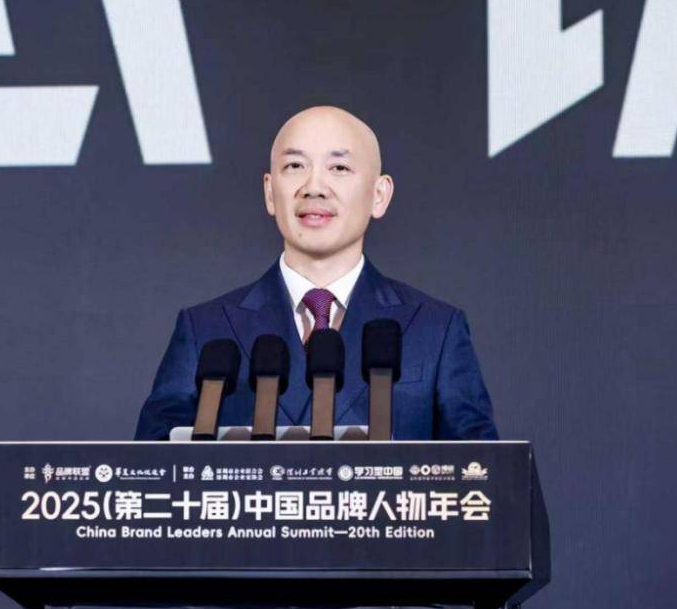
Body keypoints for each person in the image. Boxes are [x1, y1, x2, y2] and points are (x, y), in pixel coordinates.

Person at [134, 106, 497, 441]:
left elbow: (484, 473)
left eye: (339, 168)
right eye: (295, 166)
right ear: (269, 192)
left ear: (379, 195)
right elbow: (148, 472)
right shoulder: (205, 330)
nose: (314, 187)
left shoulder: (437, 329)